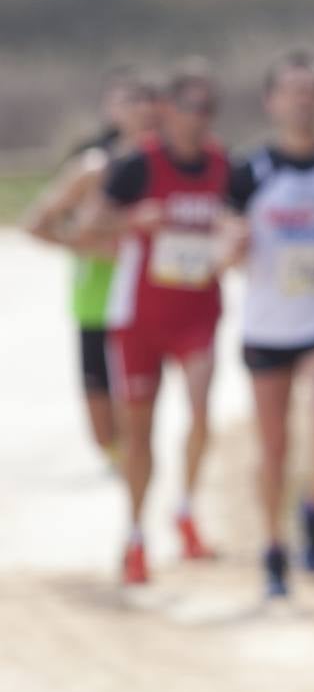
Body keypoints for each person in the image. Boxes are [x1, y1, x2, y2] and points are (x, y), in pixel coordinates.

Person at [222, 50, 314, 598]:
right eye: (292, 90)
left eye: (311, 90)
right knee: (274, 447)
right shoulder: (248, 171)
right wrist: (233, 249)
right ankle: (271, 545)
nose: (303, 100)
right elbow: (225, 245)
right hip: (267, 324)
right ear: (272, 102)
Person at [86, 67, 232, 585]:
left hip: (198, 314)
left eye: (208, 108)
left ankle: (187, 509)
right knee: (140, 435)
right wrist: (132, 222)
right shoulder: (136, 168)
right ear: (168, 111)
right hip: (140, 320)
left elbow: (238, 224)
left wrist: (232, 241)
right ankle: (134, 535)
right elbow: (90, 224)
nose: (200, 119)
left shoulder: (223, 166)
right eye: (191, 107)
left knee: (199, 410)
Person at [21, 69, 162, 474]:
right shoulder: (95, 167)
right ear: (114, 112)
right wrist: (95, 246)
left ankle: (139, 475)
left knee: (140, 403)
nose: (143, 113)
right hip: (98, 300)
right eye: (132, 103)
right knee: (103, 424)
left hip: (152, 302)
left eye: (150, 105)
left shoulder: (169, 165)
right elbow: (37, 223)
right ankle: (122, 462)